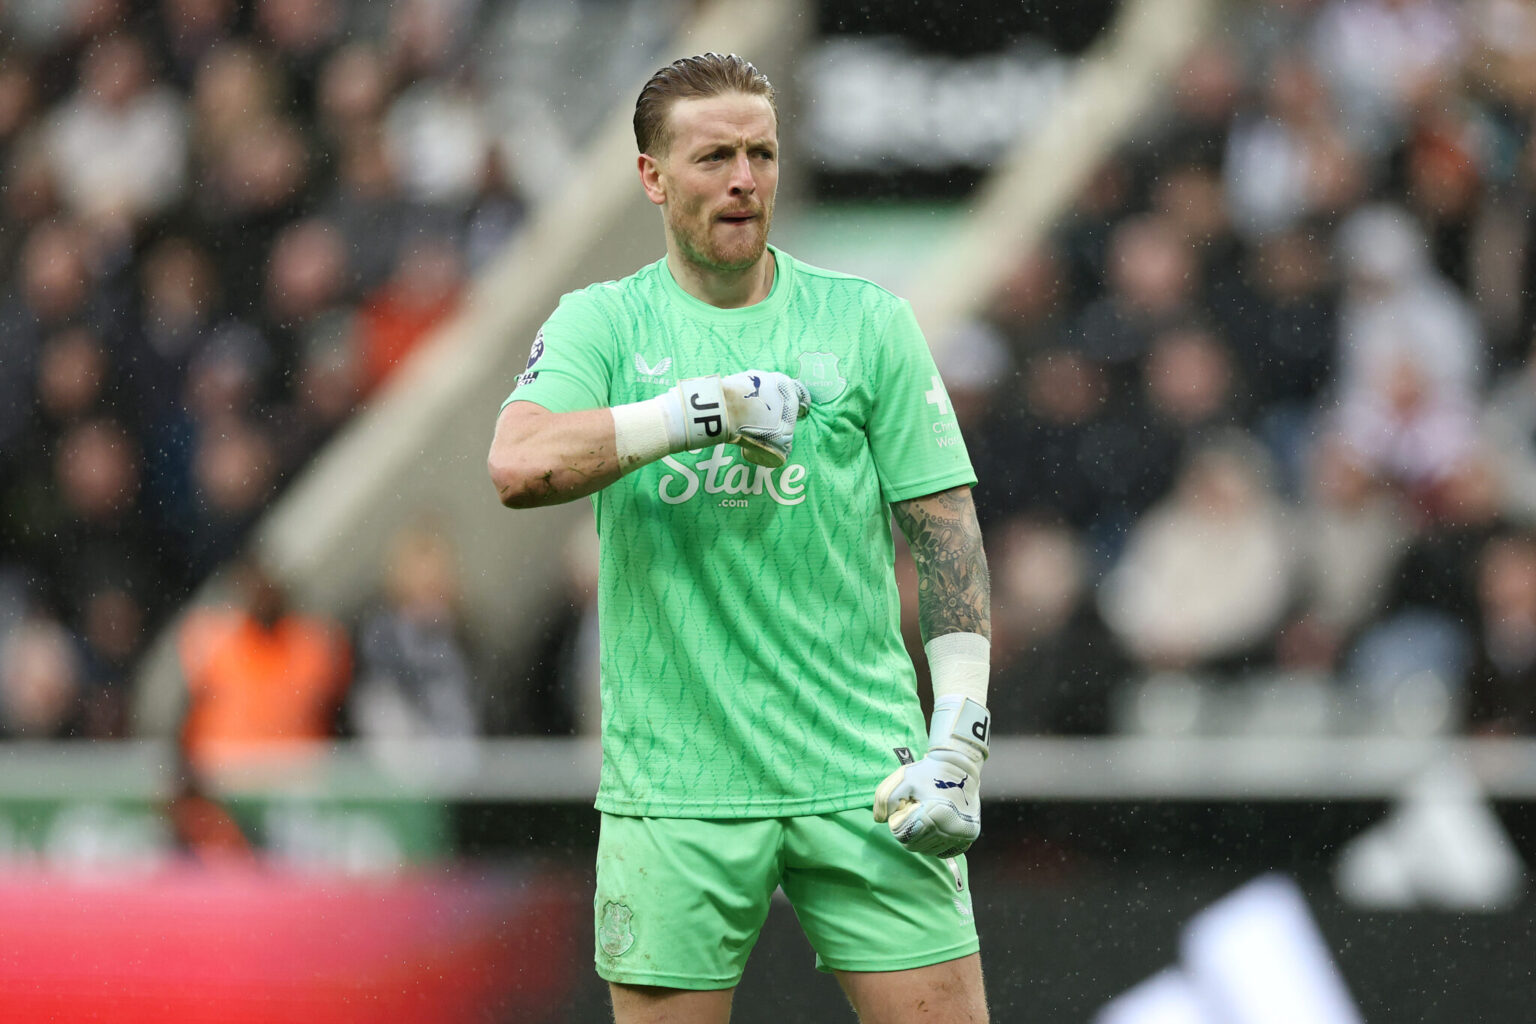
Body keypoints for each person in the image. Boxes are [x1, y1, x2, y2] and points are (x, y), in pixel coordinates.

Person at [487, 53, 993, 1024]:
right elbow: (518, 465)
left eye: (761, 153)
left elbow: (947, 537)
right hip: (677, 790)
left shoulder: (867, 322)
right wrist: (694, 413)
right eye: (714, 157)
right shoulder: (604, 323)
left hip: (866, 773)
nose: (744, 179)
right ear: (652, 176)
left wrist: (961, 735)